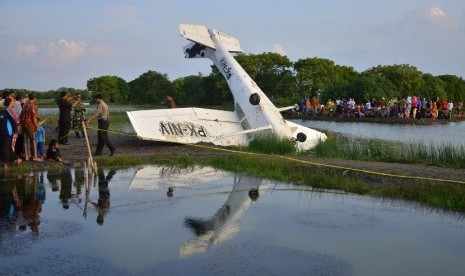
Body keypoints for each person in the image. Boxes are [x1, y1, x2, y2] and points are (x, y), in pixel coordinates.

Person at [20, 94, 40, 161]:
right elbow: (34, 118)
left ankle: (27, 156)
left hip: (23, 125)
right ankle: (35, 156)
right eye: (36, 99)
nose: (36, 100)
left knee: (26, 140)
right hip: (30, 125)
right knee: (33, 140)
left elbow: (21, 116)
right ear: (34, 98)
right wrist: (37, 126)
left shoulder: (24, 106)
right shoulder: (32, 106)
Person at [0, 98, 19, 169]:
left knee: (5, 148)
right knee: (7, 148)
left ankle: (5, 164)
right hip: (1, 134)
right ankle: (17, 159)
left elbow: (14, 121)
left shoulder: (6, 112)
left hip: (7, 133)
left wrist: (15, 131)